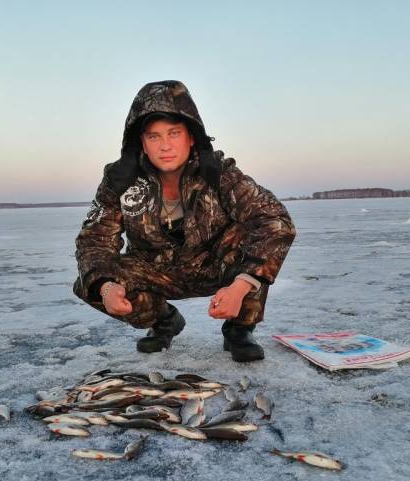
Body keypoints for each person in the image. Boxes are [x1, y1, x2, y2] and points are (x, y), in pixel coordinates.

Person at [73, 80, 295, 362]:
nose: (165, 146)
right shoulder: (120, 180)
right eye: (154, 137)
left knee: (254, 236)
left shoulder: (220, 173)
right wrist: (106, 288)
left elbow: (275, 220)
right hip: (155, 270)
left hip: (215, 265)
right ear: (141, 142)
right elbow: (94, 240)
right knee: (89, 280)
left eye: (173, 133)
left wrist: (242, 285)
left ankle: (240, 328)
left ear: (191, 136)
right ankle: (164, 320)